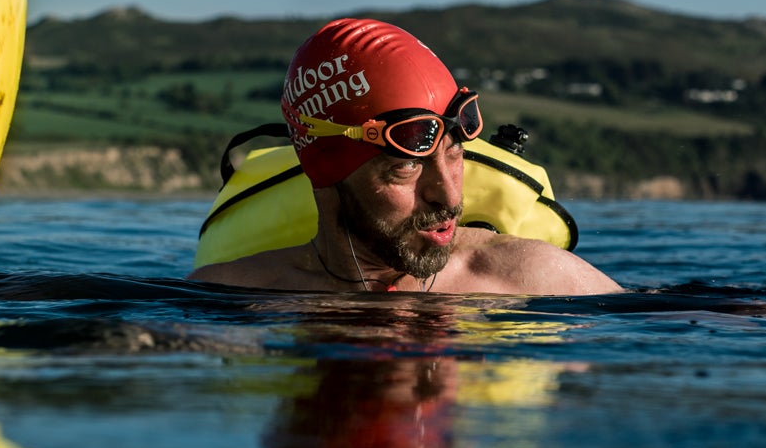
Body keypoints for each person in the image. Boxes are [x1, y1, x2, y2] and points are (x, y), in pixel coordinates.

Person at [190, 18, 622, 295]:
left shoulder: (533, 278)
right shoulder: (235, 297)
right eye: (406, 166)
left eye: (454, 155)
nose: (448, 196)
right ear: (325, 168)